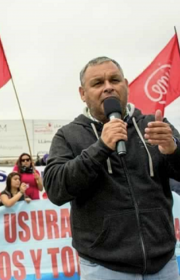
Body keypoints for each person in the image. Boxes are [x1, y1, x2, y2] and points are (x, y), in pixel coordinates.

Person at [44, 56, 180, 279]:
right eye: (97, 83)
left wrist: (173, 150)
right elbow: (56, 189)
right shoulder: (68, 135)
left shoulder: (155, 126)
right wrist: (100, 148)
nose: (108, 87)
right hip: (104, 267)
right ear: (82, 94)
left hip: (163, 263)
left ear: (125, 85)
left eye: (114, 80)